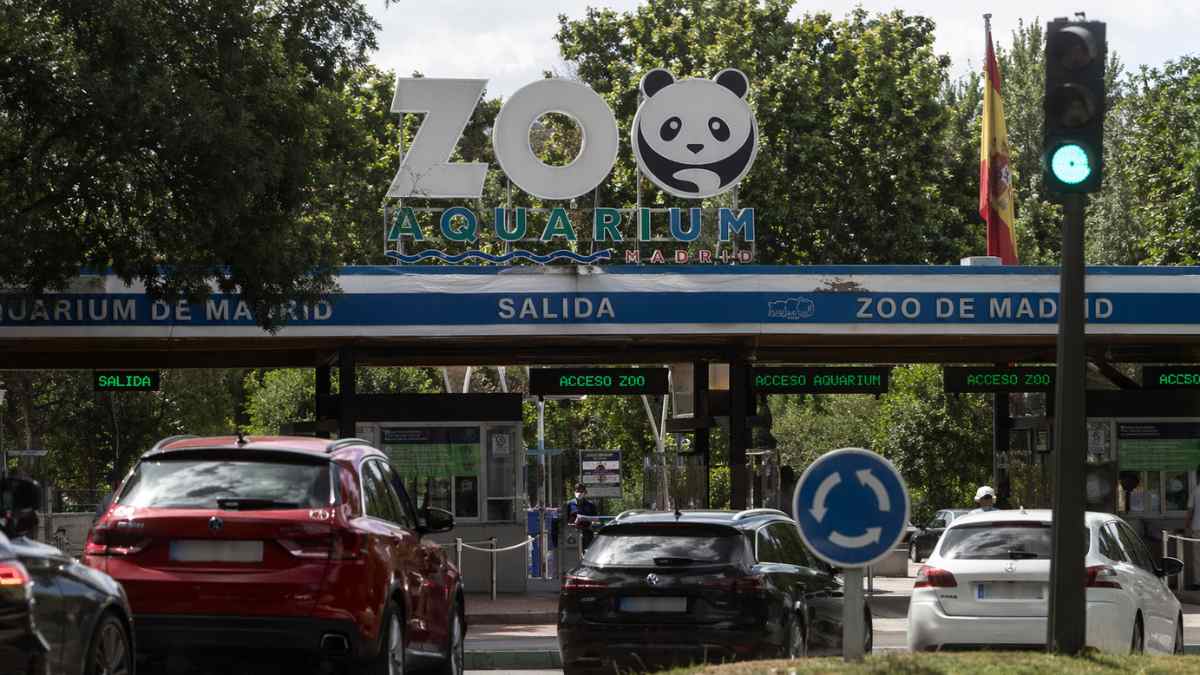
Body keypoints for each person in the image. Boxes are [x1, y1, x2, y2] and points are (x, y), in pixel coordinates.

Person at [566, 484, 598, 551]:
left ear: (585, 492)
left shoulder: (591, 505)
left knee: (587, 553)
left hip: (587, 533)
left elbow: (595, 518)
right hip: (573, 533)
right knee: (573, 553)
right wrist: (570, 524)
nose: (579, 493)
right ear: (574, 492)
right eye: (577, 491)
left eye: (581, 491)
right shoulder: (569, 504)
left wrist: (592, 523)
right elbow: (565, 519)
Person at [1184, 469, 1200, 589]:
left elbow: (1190, 512)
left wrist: (1186, 527)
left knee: (1197, 557)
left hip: (1197, 528)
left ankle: (1198, 582)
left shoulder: (1196, 491)